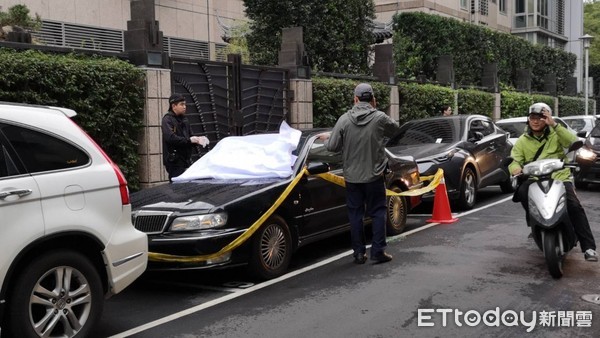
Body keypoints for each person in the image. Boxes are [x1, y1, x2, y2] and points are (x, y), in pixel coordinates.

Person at [318, 83, 401, 264]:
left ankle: (358, 253)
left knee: (355, 214)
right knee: (378, 212)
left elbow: (332, 147)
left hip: (352, 178)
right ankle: (378, 251)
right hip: (374, 175)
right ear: (372, 100)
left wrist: (328, 138)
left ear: (355, 99)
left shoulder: (344, 120)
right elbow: (396, 130)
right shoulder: (380, 118)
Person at [509, 102, 598, 262]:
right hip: (535, 178)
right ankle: (534, 221)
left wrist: (554, 125)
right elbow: (514, 160)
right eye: (533, 118)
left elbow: (573, 142)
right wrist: (515, 168)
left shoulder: (556, 133)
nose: (536, 121)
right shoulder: (522, 140)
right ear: (528, 120)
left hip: (559, 178)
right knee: (522, 192)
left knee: (574, 206)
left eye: (541, 118)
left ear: (547, 118)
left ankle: (588, 247)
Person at [161, 93, 208, 181]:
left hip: (186, 159)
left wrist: (198, 140)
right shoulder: (167, 120)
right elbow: (170, 138)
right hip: (174, 161)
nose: (184, 107)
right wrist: (190, 140)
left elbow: (189, 136)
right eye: (181, 104)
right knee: (177, 187)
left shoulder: (184, 119)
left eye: (185, 104)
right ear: (173, 106)